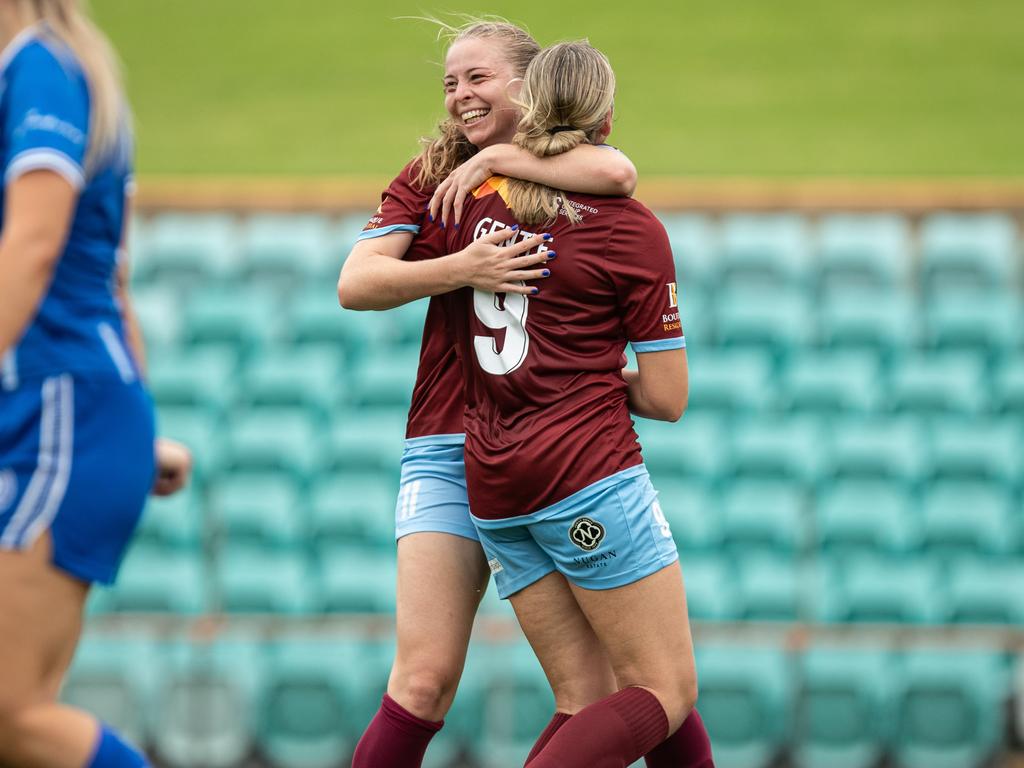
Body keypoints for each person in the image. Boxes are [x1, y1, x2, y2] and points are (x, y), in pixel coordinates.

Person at [339, 18, 712, 768]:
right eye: (449, 82)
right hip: (483, 447)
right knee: (433, 677)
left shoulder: (491, 183)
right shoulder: (443, 176)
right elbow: (354, 284)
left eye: (477, 77)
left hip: (497, 457)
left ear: (530, 86)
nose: (459, 95)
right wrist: (463, 268)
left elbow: (613, 172)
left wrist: (503, 162)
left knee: (600, 689)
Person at [0, 3, 191, 766]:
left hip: (56, 417)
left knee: (10, 714)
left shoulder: (40, 64)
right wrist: (140, 435)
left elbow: (37, 244)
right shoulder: (59, 65)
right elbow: (110, 283)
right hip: (63, 416)